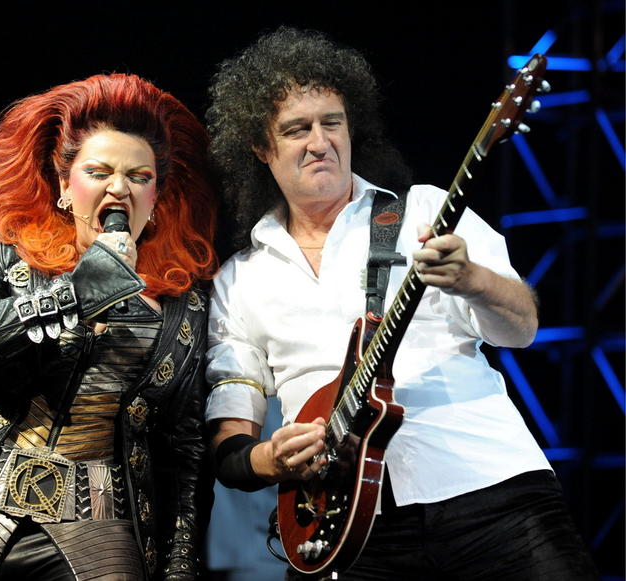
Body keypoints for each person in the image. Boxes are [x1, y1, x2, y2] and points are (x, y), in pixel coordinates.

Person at [204, 27, 598, 580]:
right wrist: (271, 458)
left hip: (490, 487)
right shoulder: (239, 279)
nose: (320, 142)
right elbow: (230, 446)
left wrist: (472, 280)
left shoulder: (423, 211)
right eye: (296, 129)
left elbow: (523, 327)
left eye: (332, 122)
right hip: (345, 526)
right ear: (260, 147)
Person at [0, 73, 217, 580]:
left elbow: (185, 449)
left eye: (139, 177)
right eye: (98, 171)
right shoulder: (4, 252)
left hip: (100, 525)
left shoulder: (183, 304)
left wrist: (181, 563)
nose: (119, 187)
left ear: (156, 197)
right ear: (64, 185)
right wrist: (77, 290)